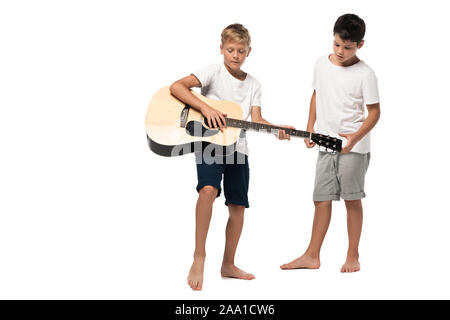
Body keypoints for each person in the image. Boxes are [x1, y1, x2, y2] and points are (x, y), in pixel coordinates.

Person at [170, 23, 294, 290]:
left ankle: (228, 263)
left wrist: (278, 130)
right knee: (207, 190)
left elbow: (257, 119)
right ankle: (199, 256)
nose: (235, 55)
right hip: (210, 143)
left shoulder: (254, 84)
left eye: (241, 50)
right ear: (221, 49)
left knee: (237, 206)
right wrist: (205, 107)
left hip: (238, 149)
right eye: (230, 50)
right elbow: (177, 87)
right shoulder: (213, 71)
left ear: (249, 51)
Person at [281, 14, 380, 273]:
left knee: (351, 199)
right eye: (336, 44)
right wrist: (310, 127)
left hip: (353, 147)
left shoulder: (366, 74)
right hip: (325, 143)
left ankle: (353, 255)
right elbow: (317, 94)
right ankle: (312, 255)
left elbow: (374, 113)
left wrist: (355, 137)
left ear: (360, 44)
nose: (340, 51)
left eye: (347, 47)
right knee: (321, 199)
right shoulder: (321, 64)